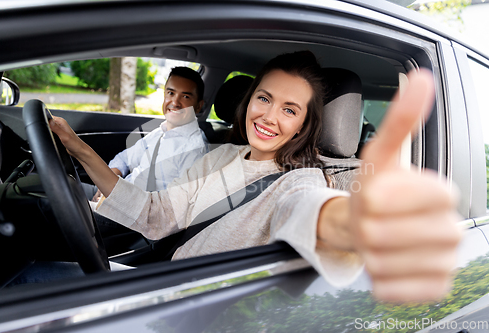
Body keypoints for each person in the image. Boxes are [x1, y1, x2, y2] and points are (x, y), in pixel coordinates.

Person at [50, 51, 461, 303]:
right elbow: (157, 216)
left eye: (289, 109)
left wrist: (354, 223)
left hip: (190, 306)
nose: (268, 116)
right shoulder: (222, 154)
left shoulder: (300, 181)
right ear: (249, 101)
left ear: (303, 125)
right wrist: (78, 148)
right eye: (264, 98)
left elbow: (309, 211)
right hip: (157, 280)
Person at [84, 66, 209, 201]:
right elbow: (124, 159)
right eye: (171, 93)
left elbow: (176, 209)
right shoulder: (160, 132)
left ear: (198, 106)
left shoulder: (195, 151)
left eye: (185, 96)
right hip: (114, 196)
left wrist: (117, 200)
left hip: (129, 214)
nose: (175, 102)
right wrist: (108, 185)